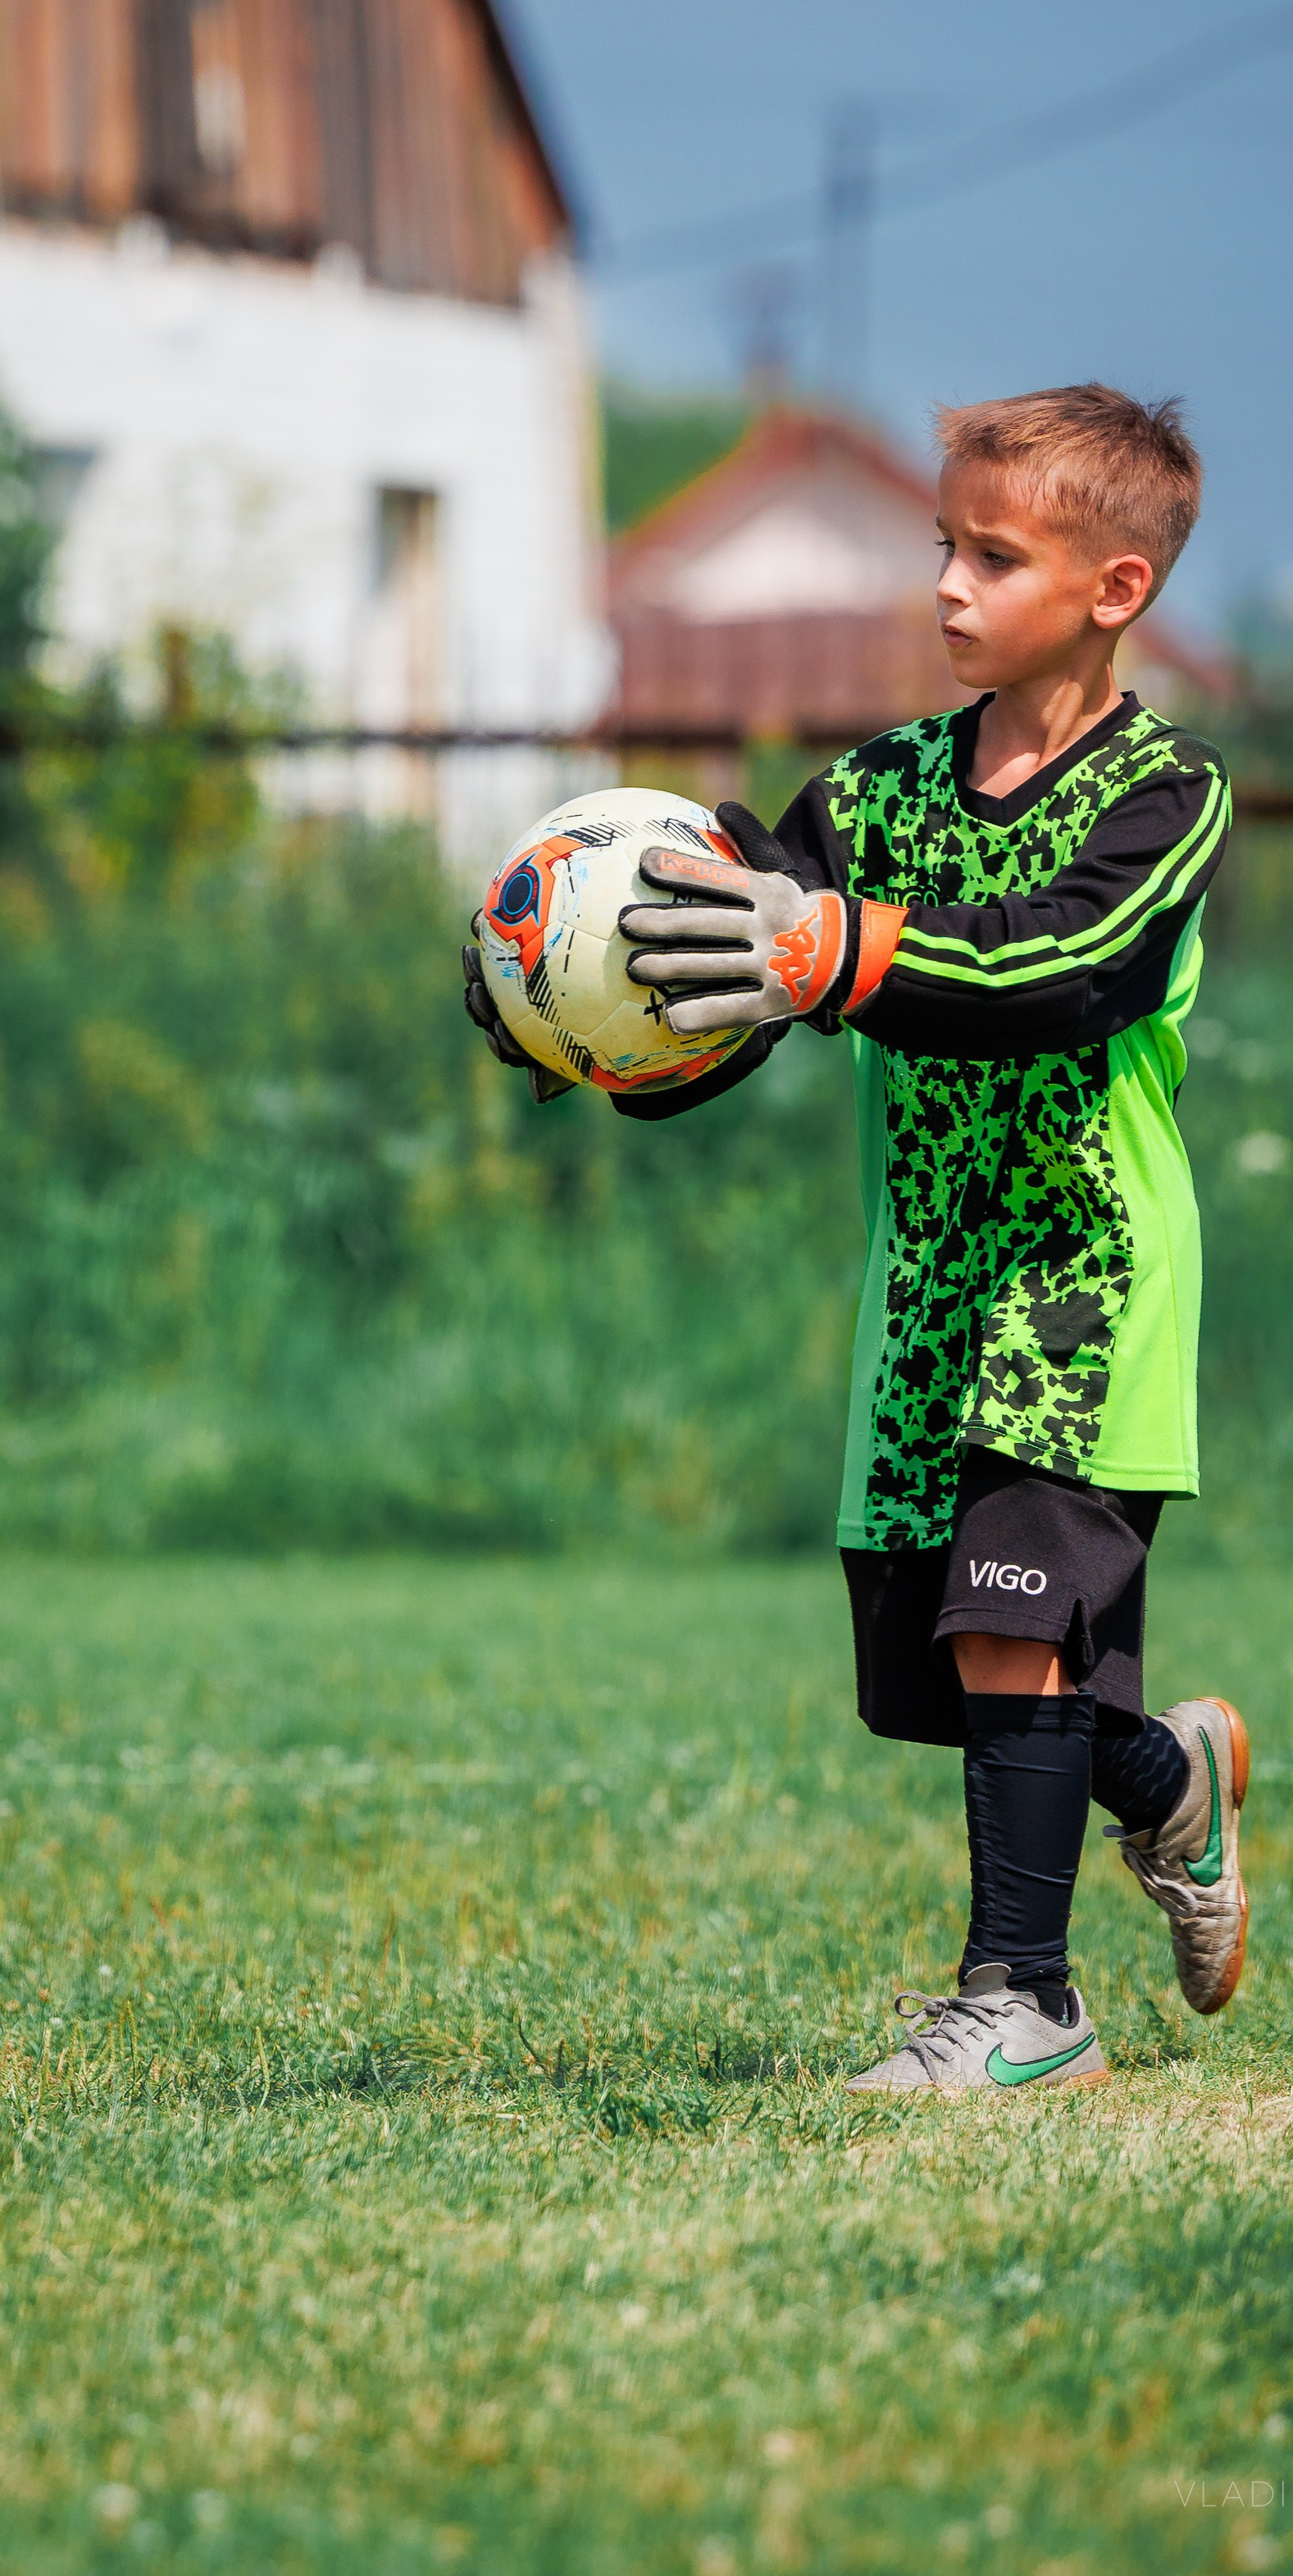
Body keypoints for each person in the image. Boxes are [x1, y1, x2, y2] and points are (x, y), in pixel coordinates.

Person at [464, 384, 1248, 2095]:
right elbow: (735, 978)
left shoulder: (1165, 792)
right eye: (941, 549)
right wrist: (566, 998)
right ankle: (1162, 1777)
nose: (948, 586)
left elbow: (1064, 965)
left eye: (992, 555)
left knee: (1008, 1625)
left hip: (1078, 1284)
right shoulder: (875, 789)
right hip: (925, 1304)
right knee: (944, 1679)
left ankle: (1024, 2005)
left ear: (1115, 588)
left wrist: (839, 954)